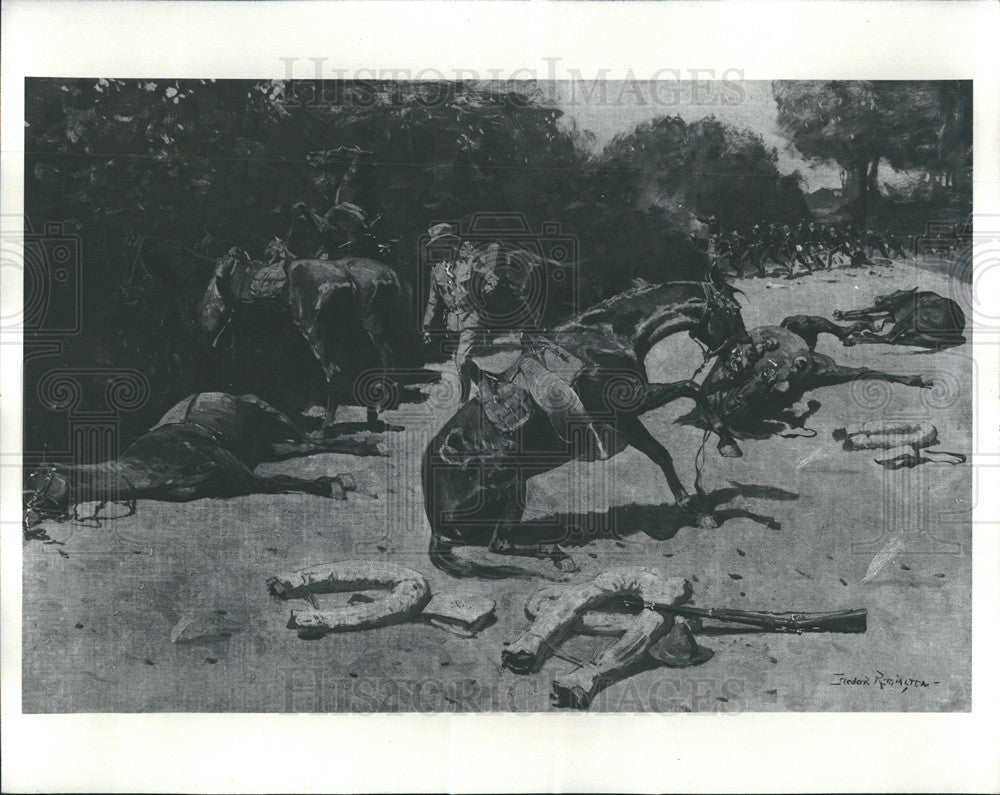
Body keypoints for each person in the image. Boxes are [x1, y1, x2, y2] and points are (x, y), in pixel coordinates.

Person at [421, 223, 488, 403]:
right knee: (463, 365)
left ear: (451, 244)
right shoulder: (437, 272)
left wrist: (484, 289)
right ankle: (485, 386)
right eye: (436, 247)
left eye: (443, 245)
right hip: (452, 322)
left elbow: (490, 279)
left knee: (461, 359)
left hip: (472, 318)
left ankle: (463, 400)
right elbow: (432, 301)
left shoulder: (469, 263)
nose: (440, 250)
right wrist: (426, 326)